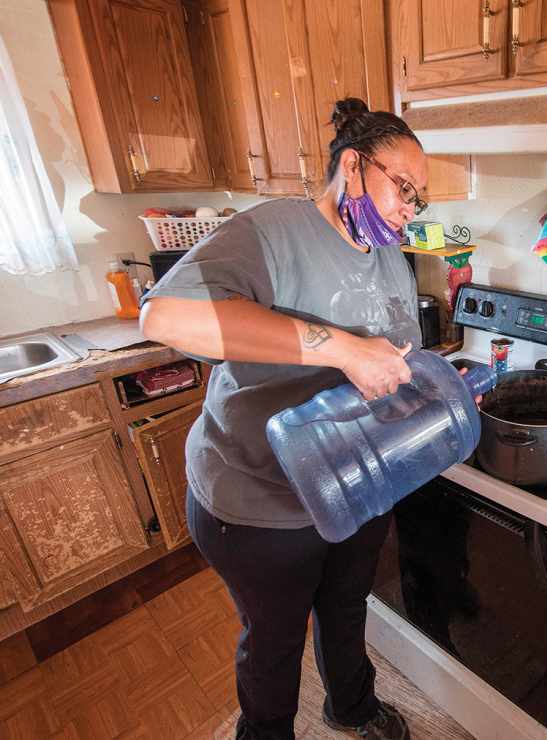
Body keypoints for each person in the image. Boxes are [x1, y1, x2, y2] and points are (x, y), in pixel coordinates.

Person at [139, 97, 430, 740]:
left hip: (353, 484)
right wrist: (343, 348)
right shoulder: (271, 230)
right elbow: (164, 317)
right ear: (353, 167)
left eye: (419, 199)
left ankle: (351, 708)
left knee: (346, 608)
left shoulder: (390, 258)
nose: (410, 208)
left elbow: (397, 355)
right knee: (274, 642)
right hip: (260, 498)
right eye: (402, 187)